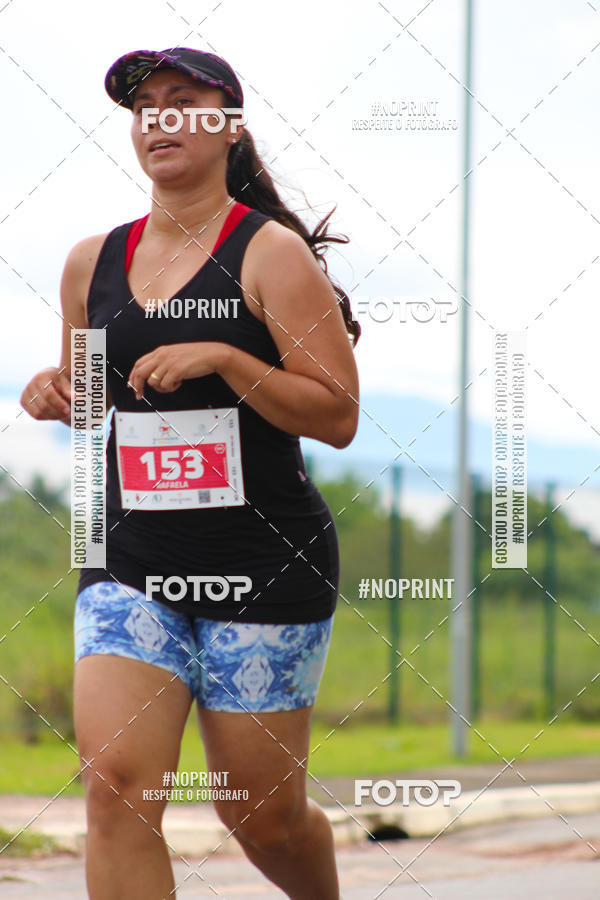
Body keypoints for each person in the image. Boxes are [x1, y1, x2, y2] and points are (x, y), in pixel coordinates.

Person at [20, 46, 360, 899]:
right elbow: (91, 395)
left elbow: (338, 414)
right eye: (145, 108)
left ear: (228, 126)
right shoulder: (91, 261)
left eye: (182, 102)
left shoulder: (270, 254)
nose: (159, 120)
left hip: (263, 564)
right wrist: (54, 392)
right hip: (131, 561)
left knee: (262, 818)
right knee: (119, 787)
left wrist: (227, 359)